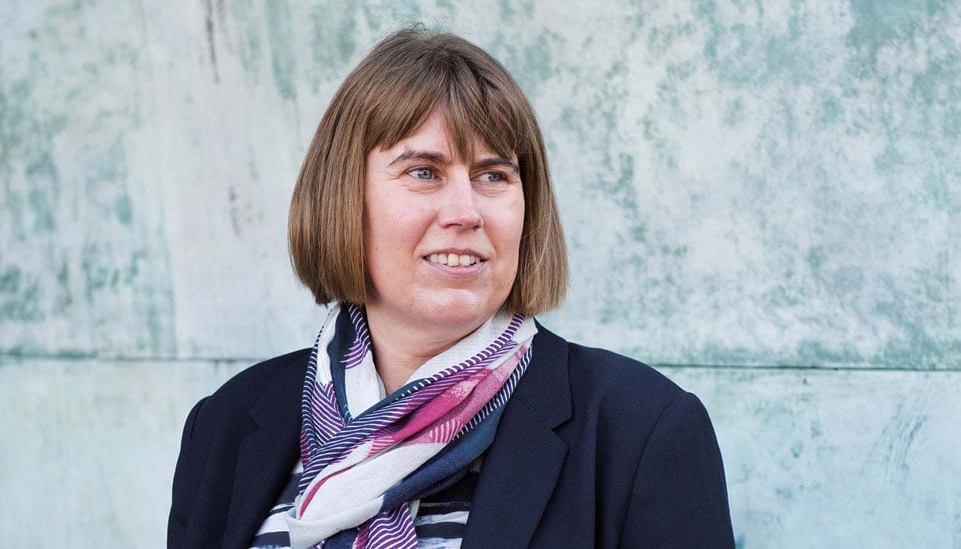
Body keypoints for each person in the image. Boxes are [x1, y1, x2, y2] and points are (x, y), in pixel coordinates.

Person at [168, 27, 733, 549]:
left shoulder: (640, 430)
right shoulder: (227, 425)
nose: (466, 211)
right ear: (343, 197)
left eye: (494, 175)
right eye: (424, 172)